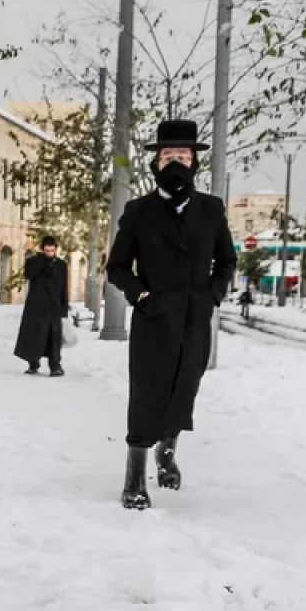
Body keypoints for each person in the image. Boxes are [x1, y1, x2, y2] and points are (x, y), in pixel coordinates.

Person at [106, 119, 238, 510]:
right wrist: (141, 296)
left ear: (194, 161)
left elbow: (227, 260)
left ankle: (167, 453)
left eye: (183, 156)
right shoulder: (138, 211)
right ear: (156, 164)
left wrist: (211, 297)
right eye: (168, 157)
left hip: (194, 320)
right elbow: (117, 267)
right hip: (153, 320)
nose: (176, 162)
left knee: (183, 391)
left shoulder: (211, 209)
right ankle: (134, 476)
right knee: (146, 394)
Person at [14, 236, 69, 377]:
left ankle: (55, 366)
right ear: (42, 250)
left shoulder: (62, 265)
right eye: (47, 251)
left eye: (52, 251)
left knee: (54, 338)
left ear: (56, 249)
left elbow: (64, 287)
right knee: (35, 336)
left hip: (54, 307)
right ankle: (33, 364)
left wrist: (64, 307)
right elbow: (29, 274)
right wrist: (41, 259)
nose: (50, 253)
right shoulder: (33, 262)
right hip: (36, 307)